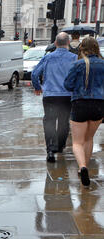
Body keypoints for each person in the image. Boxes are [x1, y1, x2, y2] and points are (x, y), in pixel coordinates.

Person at [31, 32, 77, 163]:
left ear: (55, 43)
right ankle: (60, 146)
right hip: (67, 96)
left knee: (50, 122)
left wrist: (38, 87)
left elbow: (34, 74)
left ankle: (50, 150)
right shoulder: (74, 58)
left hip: (50, 95)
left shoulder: (48, 58)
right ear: (68, 43)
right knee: (63, 122)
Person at [64, 37, 104, 186]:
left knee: (77, 142)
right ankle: (84, 167)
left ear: (82, 48)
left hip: (80, 103)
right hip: (99, 105)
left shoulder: (78, 65)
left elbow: (67, 85)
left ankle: (82, 167)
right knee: (89, 139)